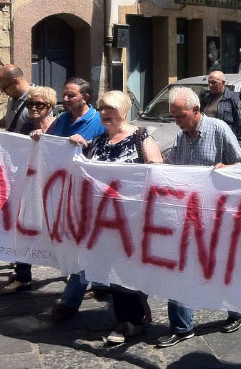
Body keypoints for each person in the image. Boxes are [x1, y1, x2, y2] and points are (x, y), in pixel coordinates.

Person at [157, 86, 241, 348]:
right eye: (174, 117)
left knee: (221, 266)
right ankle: (182, 326)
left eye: (181, 116)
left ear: (196, 111)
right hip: (186, 215)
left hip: (216, 216)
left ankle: (236, 309)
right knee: (178, 267)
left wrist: (226, 168)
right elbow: (173, 167)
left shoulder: (219, 130)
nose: (177, 121)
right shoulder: (181, 137)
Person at [69, 91, 162, 345]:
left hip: (133, 221)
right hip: (104, 223)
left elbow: (158, 173)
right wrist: (73, 146)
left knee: (125, 271)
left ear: (124, 111)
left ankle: (128, 322)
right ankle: (135, 315)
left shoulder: (141, 137)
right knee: (113, 272)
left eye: (110, 108)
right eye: (101, 109)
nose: (104, 113)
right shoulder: (97, 142)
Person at [35, 78, 106, 320]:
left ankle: (69, 301)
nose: (64, 99)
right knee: (87, 243)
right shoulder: (63, 120)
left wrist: (86, 147)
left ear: (86, 97)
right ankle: (102, 284)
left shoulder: (98, 121)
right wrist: (39, 137)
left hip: (90, 195)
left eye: (70, 95)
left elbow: (106, 152)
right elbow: (49, 144)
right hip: (65, 193)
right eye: (64, 95)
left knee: (84, 244)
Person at [0, 86, 57, 295]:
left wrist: (46, 137)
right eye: (30, 104)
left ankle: (77, 275)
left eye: (39, 104)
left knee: (56, 232)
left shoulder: (57, 127)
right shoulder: (27, 127)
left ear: (49, 107)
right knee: (23, 228)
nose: (33, 108)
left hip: (52, 191)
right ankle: (23, 275)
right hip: (30, 188)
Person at [201, 71, 241, 146]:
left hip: (225, 142)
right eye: (209, 82)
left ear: (223, 83)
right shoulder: (207, 97)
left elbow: (240, 122)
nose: (210, 85)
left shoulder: (232, 98)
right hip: (208, 140)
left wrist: (240, 143)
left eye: (214, 82)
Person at [0, 64, 32, 134]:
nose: (2, 91)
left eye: (4, 87)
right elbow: (14, 120)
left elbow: (46, 129)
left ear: (15, 82)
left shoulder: (39, 100)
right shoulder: (12, 98)